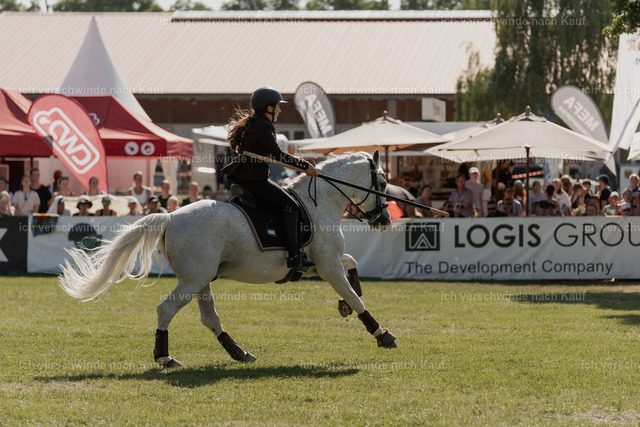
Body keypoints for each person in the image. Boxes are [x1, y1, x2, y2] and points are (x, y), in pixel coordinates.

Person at [221, 87, 318, 269]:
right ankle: (294, 257)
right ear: (269, 108)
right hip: (255, 181)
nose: (280, 111)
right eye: (278, 107)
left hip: (243, 179)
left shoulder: (252, 123)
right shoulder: (264, 126)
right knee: (291, 206)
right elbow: (278, 155)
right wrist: (305, 166)